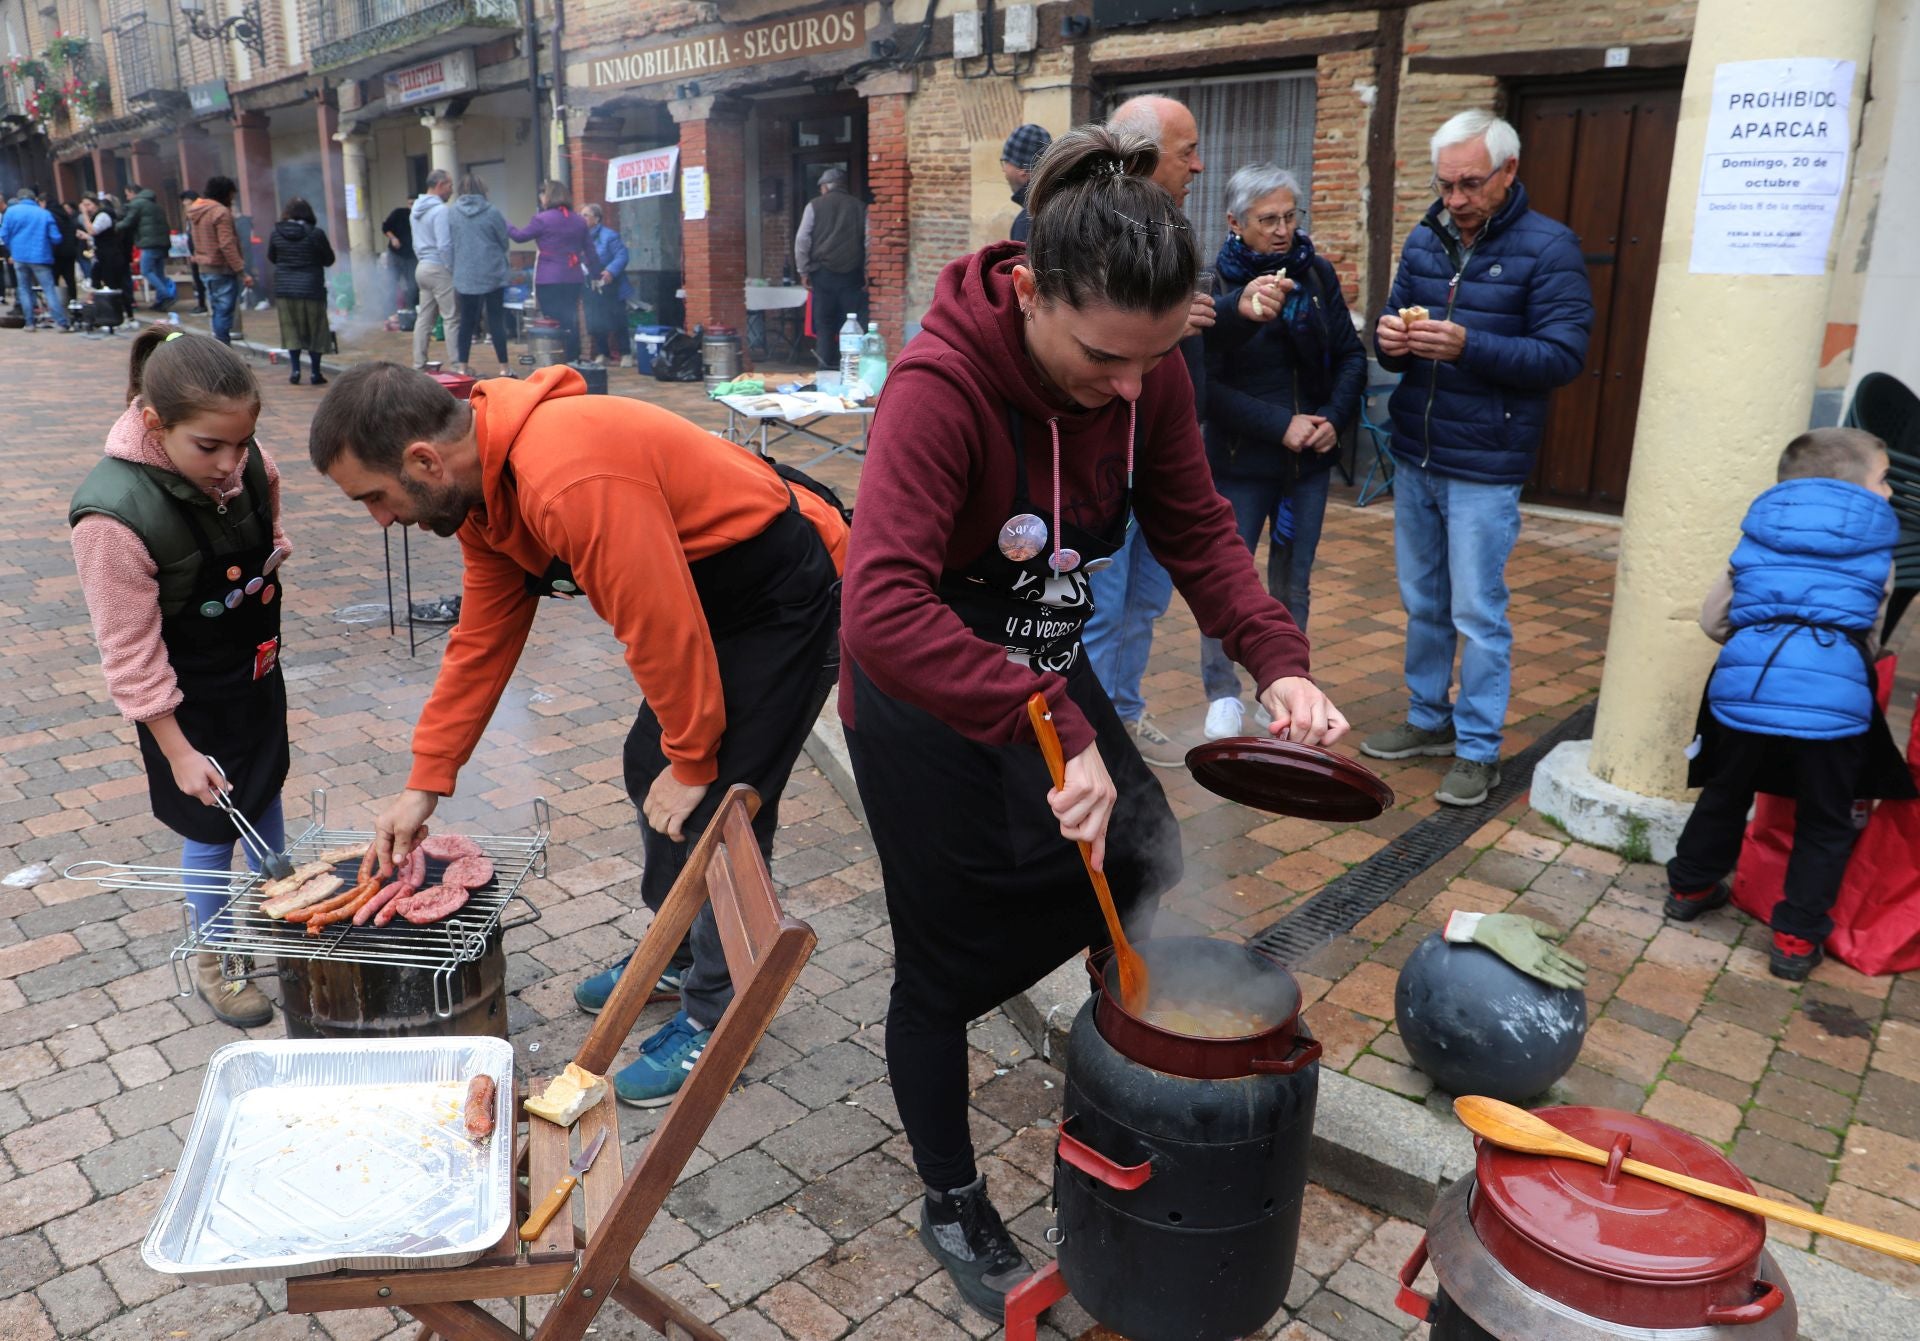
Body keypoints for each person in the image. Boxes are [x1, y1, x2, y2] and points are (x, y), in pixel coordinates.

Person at [839, 125, 1348, 1322]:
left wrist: (1278, 660)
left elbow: (1198, 526)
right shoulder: (941, 388)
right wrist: (1044, 711)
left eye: (1154, 359)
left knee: (1141, 852)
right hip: (929, 705)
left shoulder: (1150, 370)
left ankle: (1124, 1084)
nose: (1132, 388)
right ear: (1028, 291)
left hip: (1045, 683)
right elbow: (878, 611)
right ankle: (951, 1192)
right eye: (1106, 359)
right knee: (946, 964)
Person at [308, 363, 847, 1106]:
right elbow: (483, 636)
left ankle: (720, 1017)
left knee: (720, 803)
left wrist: (694, 757)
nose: (378, 518)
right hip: (705, 604)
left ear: (425, 460)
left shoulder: (566, 476)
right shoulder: (480, 498)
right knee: (645, 763)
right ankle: (684, 947)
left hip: (782, 592)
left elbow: (658, 622)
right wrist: (426, 779)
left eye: (374, 495)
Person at [1364, 109, 1593, 806]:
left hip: (1486, 463)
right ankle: (1428, 719)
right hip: (1417, 452)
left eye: (1469, 184)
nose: (1455, 199)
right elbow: (1392, 323)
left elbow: (1563, 355)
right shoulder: (1426, 237)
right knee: (1423, 601)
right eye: (1446, 184)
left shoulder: (1550, 248)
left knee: (1478, 611)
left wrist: (1469, 345)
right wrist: (1388, 341)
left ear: (1508, 171)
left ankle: (1478, 748)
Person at [69, 328, 287, 1027]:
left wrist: (271, 556)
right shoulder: (112, 518)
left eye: (241, 443)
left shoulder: (249, 463)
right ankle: (216, 953)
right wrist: (178, 750)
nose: (230, 464)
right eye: (210, 448)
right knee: (211, 819)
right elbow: (129, 650)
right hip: (182, 695)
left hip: (252, 670)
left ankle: (285, 908)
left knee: (265, 786)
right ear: (155, 423)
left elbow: (264, 527)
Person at [1664, 429, 1913, 980]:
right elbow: (1869, 638)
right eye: (1884, 479)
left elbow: (1714, 620)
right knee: (1825, 818)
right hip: (1834, 705)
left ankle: (1689, 887)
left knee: (1726, 791)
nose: (1891, 493)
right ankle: (1796, 939)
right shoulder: (1879, 553)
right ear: (1856, 490)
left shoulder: (1757, 536)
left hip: (1745, 692)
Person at [1198, 164, 1365, 739]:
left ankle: (1290, 687)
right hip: (1241, 463)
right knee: (1229, 580)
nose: (1282, 229)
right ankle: (1223, 693)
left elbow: (1349, 357)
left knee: (1294, 580)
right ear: (1234, 222)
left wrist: (1332, 422)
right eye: (1267, 219)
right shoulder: (1214, 287)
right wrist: (1279, 425)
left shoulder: (1315, 275)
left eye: (1290, 216)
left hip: (1307, 466)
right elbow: (1205, 388)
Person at [1077, 94, 1210, 767]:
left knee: (1144, 601)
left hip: (1153, 458)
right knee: (1097, 607)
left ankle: (1122, 715)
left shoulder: (1177, 238)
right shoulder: (1080, 231)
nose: (1200, 166)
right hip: (1100, 470)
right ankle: (1096, 739)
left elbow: (1204, 533)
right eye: (1188, 153)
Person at [509, 180, 594, 366]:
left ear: (549, 196)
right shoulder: (579, 220)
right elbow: (591, 252)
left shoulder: (542, 219)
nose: (541, 197)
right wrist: (596, 272)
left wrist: (505, 224)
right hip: (573, 277)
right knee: (570, 319)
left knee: (552, 320)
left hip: (549, 278)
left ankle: (556, 360)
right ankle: (574, 359)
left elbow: (519, 236)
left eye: (542, 194)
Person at [794, 166, 866, 372]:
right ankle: (851, 371)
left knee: (825, 325)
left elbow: (802, 239)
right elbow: (869, 242)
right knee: (852, 324)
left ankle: (825, 369)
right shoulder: (860, 207)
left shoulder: (814, 206)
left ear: (825, 187)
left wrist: (803, 271)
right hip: (852, 275)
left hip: (822, 274)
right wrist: (868, 270)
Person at [448, 172, 514, 378]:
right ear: (482, 190)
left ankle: (462, 367)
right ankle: (504, 367)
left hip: (465, 273)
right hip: (492, 271)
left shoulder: (452, 213)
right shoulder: (492, 211)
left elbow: (451, 241)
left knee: (466, 321)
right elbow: (504, 242)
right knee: (495, 320)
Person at [267, 197, 336, 386]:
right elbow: (329, 259)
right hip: (311, 288)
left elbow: (272, 257)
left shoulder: (276, 233)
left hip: (285, 289)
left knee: (291, 330)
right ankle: (315, 372)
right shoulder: (316, 234)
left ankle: (295, 370)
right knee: (316, 330)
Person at [188, 177, 253, 345]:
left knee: (216, 311)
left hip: (204, 266)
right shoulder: (220, 212)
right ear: (225, 193)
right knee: (224, 313)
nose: (232, 199)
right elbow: (227, 244)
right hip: (221, 268)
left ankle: (219, 349)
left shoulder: (196, 210)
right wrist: (241, 270)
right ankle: (223, 353)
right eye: (231, 195)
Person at [410, 169, 460, 370]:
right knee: (451, 317)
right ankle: (458, 364)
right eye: (449, 185)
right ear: (439, 185)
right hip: (439, 266)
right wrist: (451, 267)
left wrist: (422, 259)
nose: (451, 190)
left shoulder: (415, 209)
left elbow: (415, 243)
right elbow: (445, 245)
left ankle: (418, 362)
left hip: (422, 266)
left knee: (424, 317)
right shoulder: (440, 211)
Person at [3, 188, 69, 329]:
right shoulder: (44, 214)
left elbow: (4, 235)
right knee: (49, 289)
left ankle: (30, 322)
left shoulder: (10, 212)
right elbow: (56, 238)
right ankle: (61, 323)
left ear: (19, 199)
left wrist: (12, 250)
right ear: (34, 199)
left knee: (24, 289)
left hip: (19, 256)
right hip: (40, 256)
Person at [581, 203, 631, 366]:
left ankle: (625, 354)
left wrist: (610, 271)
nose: (582, 219)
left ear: (596, 219)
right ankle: (603, 353)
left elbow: (622, 255)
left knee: (617, 318)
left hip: (610, 282)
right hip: (589, 283)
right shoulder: (579, 237)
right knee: (595, 319)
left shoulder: (609, 236)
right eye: (580, 215)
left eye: (585, 215)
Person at [121, 182, 176, 311]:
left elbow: (128, 222)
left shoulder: (137, 204)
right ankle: (160, 301)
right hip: (161, 243)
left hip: (149, 243)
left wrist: (115, 227)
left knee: (146, 271)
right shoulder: (154, 204)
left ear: (133, 193)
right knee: (159, 273)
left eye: (127, 194)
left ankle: (166, 296)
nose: (127, 198)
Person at [1001, 123, 1051, 243]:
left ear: (1023, 169)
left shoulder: (1027, 222)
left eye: (1005, 162)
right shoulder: (1059, 205)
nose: (1003, 169)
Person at [382, 201, 418, 312]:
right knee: (391, 283)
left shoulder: (420, 216)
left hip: (412, 256)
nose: (411, 206)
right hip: (395, 254)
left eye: (414, 204)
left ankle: (411, 311)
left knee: (412, 285)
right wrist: (393, 238)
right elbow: (385, 227)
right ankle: (390, 313)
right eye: (410, 203)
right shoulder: (399, 213)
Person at [180, 190, 209, 313]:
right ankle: (201, 303)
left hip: (201, 253)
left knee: (203, 279)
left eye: (186, 203)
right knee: (197, 279)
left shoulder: (199, 215)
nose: (185, 206)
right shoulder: (189, 217)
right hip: (194, 253)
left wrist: (197, 253)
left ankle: (204, 304)